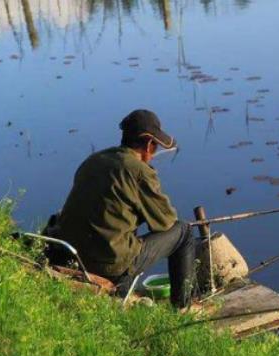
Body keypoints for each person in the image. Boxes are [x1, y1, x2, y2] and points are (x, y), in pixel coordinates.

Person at [46, 109, 196, 309]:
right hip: (109, 265)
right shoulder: (139, 171)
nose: (155, 153)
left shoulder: (93, 160)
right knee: (183, 232)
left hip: (68, 254)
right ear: (149, 144)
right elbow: (165, 221)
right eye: (156, 147)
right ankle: (184, 307)